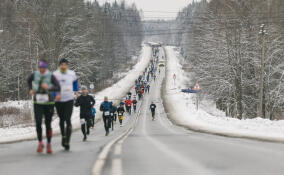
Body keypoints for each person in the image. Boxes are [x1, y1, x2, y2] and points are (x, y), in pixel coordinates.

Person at [27, 59, 60, 154]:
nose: (42, 69)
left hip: (49, 103)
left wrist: (49, 87)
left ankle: (49, 144)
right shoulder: (34, 75)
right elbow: (28, 81)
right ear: (38, 67)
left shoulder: (51, 76)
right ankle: (40, 143)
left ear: (46, 68)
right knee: (38, 122)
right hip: (38, 103)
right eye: (40, 67)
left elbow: (57, 87)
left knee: (48, 124)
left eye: (43, 68)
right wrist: (30, 89)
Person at [53, 58, 79, 150]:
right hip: (59, 101)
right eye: (62, 65)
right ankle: (63, 136)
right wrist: (55, 95)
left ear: (67, 66)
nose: (63, 66)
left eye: (65, 65)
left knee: (67, 119)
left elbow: (75, 81)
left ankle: (67, 141)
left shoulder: (72, 74)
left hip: (69, 100)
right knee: (61, 119)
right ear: (59, 65)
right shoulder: (55, 74)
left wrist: (76, 91)